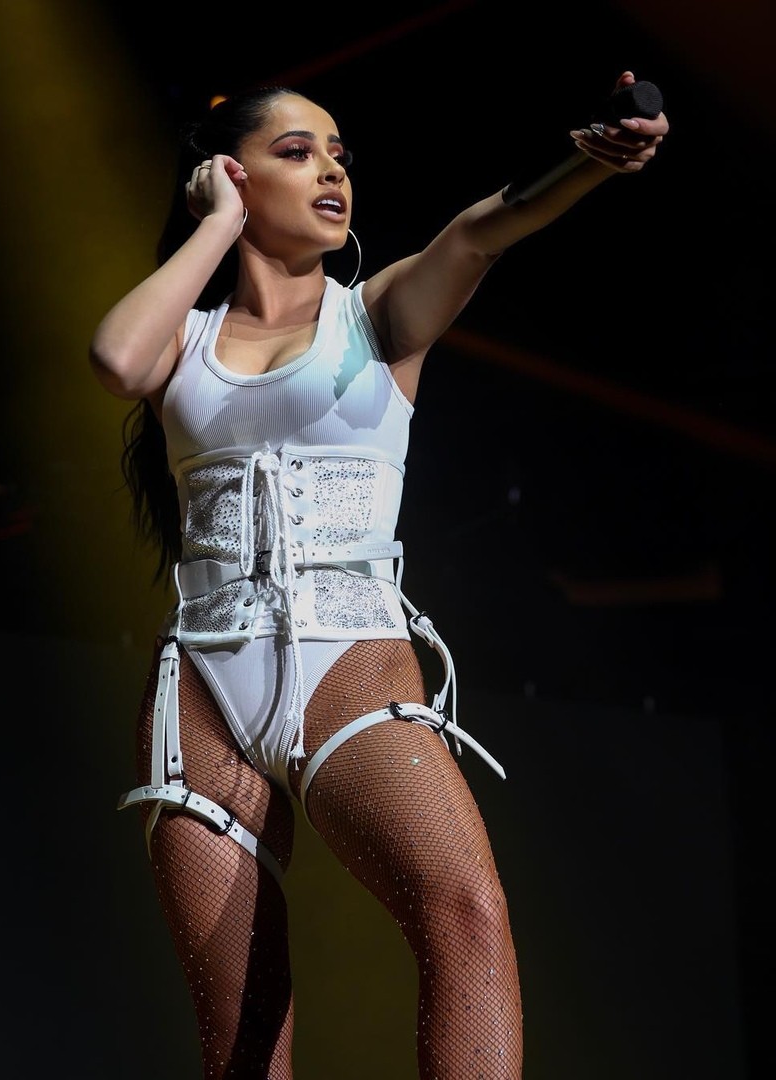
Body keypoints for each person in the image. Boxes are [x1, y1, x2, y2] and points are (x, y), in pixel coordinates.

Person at [89, 70, 668, 1079]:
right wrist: (216, 224)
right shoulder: (185, 339)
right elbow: (115, 359)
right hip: (202, 690)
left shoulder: (376, 315)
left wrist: (585, 161)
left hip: (349, 663)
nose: (332, 172)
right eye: (297, 152)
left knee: (466, 913)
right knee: (241, 1028)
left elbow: (487, 228)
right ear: (227, 173)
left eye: (340, 155)